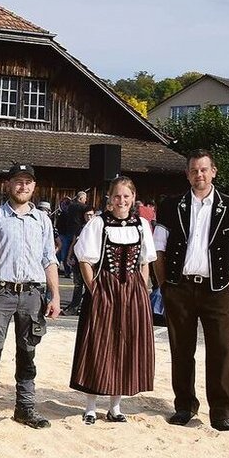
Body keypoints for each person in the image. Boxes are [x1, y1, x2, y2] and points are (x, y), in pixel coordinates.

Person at [153, 150, 229, 431]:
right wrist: (164, 285)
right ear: (187, 174)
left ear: (214, 172)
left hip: (217, 289)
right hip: (179, 288)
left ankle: (223, 412)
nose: (199, 174)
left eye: (204, 169)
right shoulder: (171, 206)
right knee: (181, 350)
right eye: (194, 170)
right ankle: (184, 406)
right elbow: (158, 249)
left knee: (221, 350)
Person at [0, 163, 61, 429]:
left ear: (34, 186)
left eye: (28, 182)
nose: (23, 186)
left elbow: (48, 259)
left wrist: (55, 296)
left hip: (32, 294)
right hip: (0, 293)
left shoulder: (42, 220)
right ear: (9, 184)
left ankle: (25, 408)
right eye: (18, 181)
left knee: (27, 353)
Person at [68, 177, 156, 423]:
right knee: (98, 343)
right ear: (110, 198)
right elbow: (84, 259)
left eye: (126, 196)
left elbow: (145, 262)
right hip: (105, 288)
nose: (121, 201)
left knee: (126, 346)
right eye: (117, 196)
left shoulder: (141, 225)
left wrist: (142, 289)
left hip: (133, 291)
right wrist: (95, 289)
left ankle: (115, 407)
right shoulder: (99, 223)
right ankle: (90, 406)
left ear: (133, 197)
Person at [55, 190, 89, 275]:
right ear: (80, 198)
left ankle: (67, 271)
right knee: (76, 251)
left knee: (66, 251)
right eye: (85, 198)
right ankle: (74, 270)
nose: (86, 200)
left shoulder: (69, 207)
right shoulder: (84, 207)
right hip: (78, 232)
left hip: (68, 231)